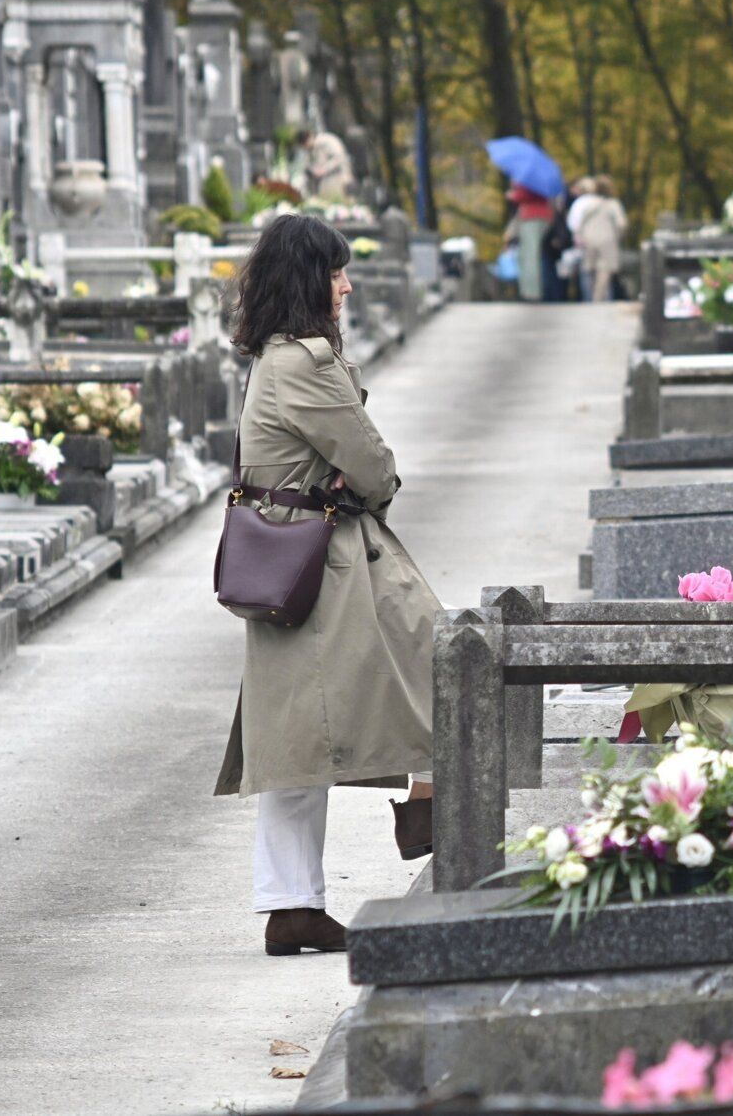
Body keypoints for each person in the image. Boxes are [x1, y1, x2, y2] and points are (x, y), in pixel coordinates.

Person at [212, 214, 440, 956]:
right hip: (323, 562)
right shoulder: (303, 363)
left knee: (296, 738)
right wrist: (367, 477)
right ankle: (429, 798)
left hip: (296, 554)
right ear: (311, 281)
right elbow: (372, 465)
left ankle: (292, 905)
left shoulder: (276, 358)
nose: (346, 283)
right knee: (440, 655)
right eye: (336, 272)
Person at [572, 175, 628, 301]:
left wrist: (580, 236)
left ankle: (589, 298)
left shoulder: (589, 203)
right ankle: (599, 299)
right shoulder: (613, 204)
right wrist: (619, 237)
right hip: (607, 241)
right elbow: (621, 224)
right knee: (604, 271)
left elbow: (580, 223)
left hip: (589, 241)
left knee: (589, 270)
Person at [505, 183, 552, 303]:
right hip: (539, 216)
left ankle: (531, 292)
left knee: (530, 255)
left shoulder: (528, 181)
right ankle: (528, 290)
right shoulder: (539, 179)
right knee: (526, 255)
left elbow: (522, 196)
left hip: (532, 217)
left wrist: (513, 193)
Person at [295, 127, 353, 201]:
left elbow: (340, 157)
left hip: (339, 179)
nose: (306, 148)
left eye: (305, 145)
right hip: (325, 185)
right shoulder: (311, 149)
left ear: (309, 137)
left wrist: (324, 169)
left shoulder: (327, 141)